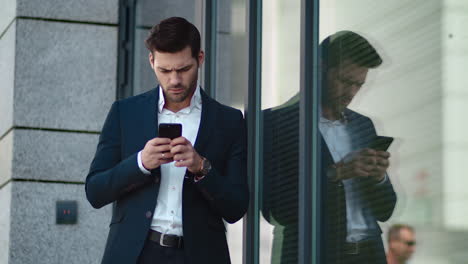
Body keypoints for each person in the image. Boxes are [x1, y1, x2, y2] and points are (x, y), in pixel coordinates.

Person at [85, 17, 249, 264]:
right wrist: (140, 162)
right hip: (136, 254)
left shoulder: (229, 121)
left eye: (183, 69)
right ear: (152, 62)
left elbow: (237, 207)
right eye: (165, 70)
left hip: (200, 256)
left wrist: (201, 167)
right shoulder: (125, 113)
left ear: (200, 59)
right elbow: (95, 191)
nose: (174, 80)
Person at [261, 31, 397, 263]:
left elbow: (385, 211)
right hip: (313, 254)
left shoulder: (362, 125)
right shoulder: (276, 124)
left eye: (359, 84)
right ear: (321, 69)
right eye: (345, 81)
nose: (351, 92)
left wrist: (379, 177)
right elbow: (278, 211)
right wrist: (335, 173)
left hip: (369, 253)